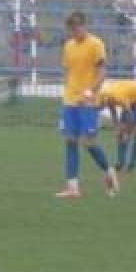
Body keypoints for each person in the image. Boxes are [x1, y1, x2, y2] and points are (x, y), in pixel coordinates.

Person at [55, 11, 118, 199]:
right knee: (70, 141)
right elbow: (69, 71)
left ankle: (108, 171)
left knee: (88, 142)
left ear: (83, 26)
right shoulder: (68, 46)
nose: (74, 32)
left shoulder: (96, 44)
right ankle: (73, 187)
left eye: (76, 28)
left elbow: (102, 72)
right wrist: (67, 91)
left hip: (88, 102)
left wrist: (91, 92)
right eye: (71, 29)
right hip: (70, 100)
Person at [100, 79, 136, 173]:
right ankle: (120, 163)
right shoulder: (106, 96)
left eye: (101, 106)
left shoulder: (118, 97)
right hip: (130, 99)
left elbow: (130, 116)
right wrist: (117, 128)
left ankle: (132, 163)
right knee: (121, 132)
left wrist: (127, 133)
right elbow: (113, 112)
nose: (102, 108)